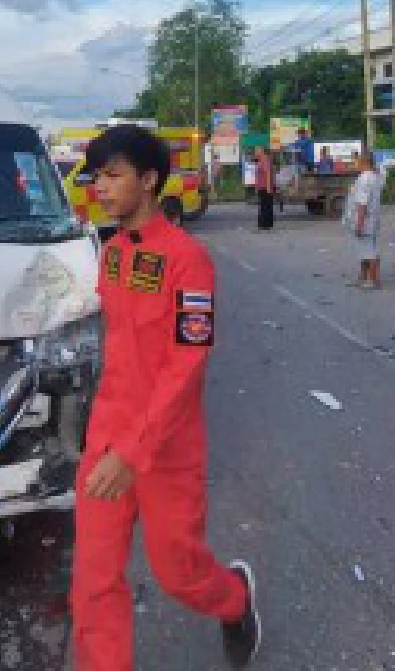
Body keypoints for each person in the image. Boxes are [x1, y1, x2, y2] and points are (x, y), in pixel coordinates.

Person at [71, 125, 261, 670]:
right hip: (106, 437)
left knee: (178, 573)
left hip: (166, 447)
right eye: (96, 177)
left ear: (149, 180)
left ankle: (234, 598)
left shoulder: (187, 260)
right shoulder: (109, 255)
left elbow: (187, 363)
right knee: (93, 580)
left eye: (113, 176)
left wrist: (135, 452)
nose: (99, 188)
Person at [345, 152, 383, 290]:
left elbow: (362, 203)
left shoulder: (365, 179)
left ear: (364, 162)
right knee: (364, 250)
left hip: (364, 220)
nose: (355, 164)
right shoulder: (373, 177)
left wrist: (359, 224)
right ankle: (363, 277)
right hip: (369, 219)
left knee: (369, 251)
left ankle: (373, 280)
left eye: (357, 161)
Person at [252, 146, 275, 233]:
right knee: (263, 205)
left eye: (256, 152)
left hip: (266, 187)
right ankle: (263, 223)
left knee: (266, 206)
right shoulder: (260, 160)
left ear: (261, 152)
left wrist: (269, 187)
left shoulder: (265, 160)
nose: (255, 154)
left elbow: (268, 174)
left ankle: (266, 224)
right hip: (261, 187)